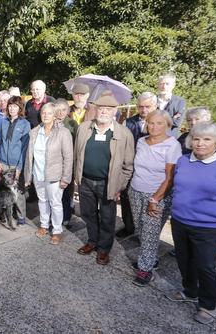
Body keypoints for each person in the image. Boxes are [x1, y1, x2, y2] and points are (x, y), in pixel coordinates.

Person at [165, 122, 216, 325]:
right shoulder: (184, 161)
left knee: (205, 266)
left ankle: (208, 305)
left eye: (206, 139)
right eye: (196, 139)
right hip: (180, 221)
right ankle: (190, 291)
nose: (200, 143)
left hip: (209, 227)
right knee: (184, 261)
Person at [74, 91, 134, 265]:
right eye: (101, 108)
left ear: (115, 111)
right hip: (85, 180)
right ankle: (92, 242)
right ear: (96, 109)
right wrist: (77, 176)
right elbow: (78, 156)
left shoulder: (124, 134)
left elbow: (128, 165)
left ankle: (103, 249)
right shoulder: (84, 128)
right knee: (88, 214)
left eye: (108, 109)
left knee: (107, 218)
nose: (104, 112)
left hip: (108, 184)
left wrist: (119, 186)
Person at [128, 110, 181, 286]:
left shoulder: (172, 145)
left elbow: (170, 177)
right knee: (142, 229)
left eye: (159, 123)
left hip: (157, 195)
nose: (154, 126)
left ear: (167, 125)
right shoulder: (141, 141)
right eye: (151, 123)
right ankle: (149, 259)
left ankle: (145, 270)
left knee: (150, 233)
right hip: (135, 191)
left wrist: (155, 199)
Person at [24, 103, 73, 244]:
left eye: (49, 113)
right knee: (42, 201)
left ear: (54, 115)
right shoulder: (34, 132)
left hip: (55, 176)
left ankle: (57, 230)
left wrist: (66, 178)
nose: (45, 115)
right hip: (38, 174)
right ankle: (44, 225)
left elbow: (68, 157)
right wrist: (29, 176)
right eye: (43, 112)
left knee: (55, 203)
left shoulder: (63, 133)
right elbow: (29, 156)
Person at [116, 91, 158, 239]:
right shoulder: (129, 122)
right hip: (130, 165)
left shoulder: (161, 122)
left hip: (150, 169)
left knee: (147, 201)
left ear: (155, 106)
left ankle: (144, 232)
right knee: (126, 197)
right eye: (140, 106)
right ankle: (128, 226)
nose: (144, 110)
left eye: (148, 106)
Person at [0, 96, 31, 223]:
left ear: (20, 108)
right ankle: (3, 214)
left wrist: (20, 167)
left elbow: (24, 148)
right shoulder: (3, 122)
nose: (12, 108)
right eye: (10, 106)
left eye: (15, 106)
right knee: (4, 191)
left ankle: (21, 216)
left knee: (18, 191)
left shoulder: (25, 124)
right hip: (3, 162)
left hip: (16, 164)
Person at [54, 98, 77, 226]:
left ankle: (66, 218)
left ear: (68, 110)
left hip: (67, 164)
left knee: (66, 193)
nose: (61, 112)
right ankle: (55, 217)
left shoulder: (72, 124)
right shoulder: (50, 122)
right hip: (54, 164)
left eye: (64, 109)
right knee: (54, 194)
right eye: (58, 109)